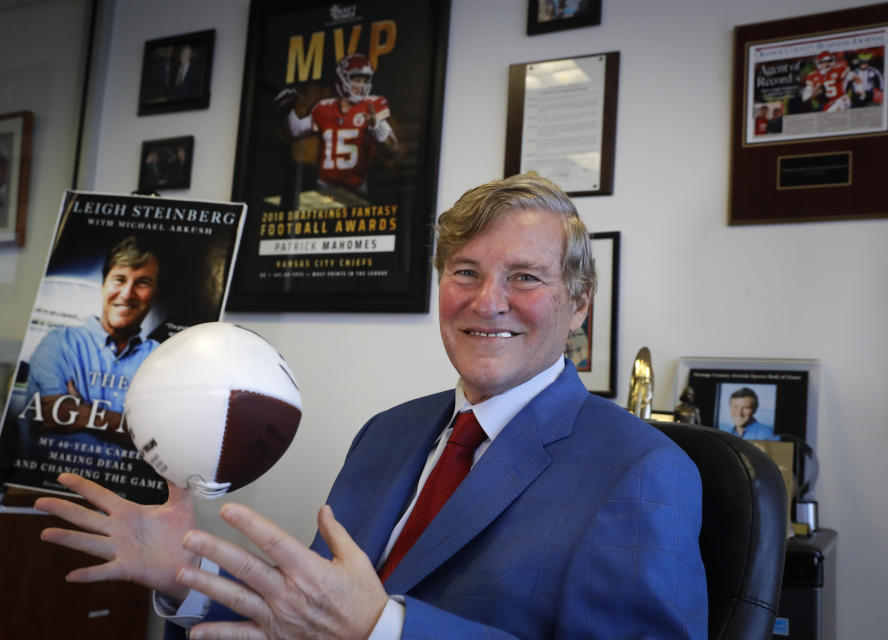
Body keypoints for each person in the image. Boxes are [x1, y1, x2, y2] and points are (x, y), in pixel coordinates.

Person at [35, 175, 707, 639]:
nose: (487, 301)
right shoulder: (390, 433)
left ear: (579, 303)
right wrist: (185, 572)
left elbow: (352, 621)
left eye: (525, 277)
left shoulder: (642, 470)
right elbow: (307, 613)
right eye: (465, 272)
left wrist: (382, 630)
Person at [23, 236, 161, 446]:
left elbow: (163, 439)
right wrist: (131, 427)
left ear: (154, 294)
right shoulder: (57, 345)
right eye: (119, 279)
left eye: (142, 282)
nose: (127, 294)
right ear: (103, 285)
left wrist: (86, 415)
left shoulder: (161, 360)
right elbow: (54, 420)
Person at [275, 52, 398, 194]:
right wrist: (287, 111)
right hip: (324, 188)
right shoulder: (324, 108)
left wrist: (376, 127)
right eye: (357, 80)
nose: (362, 85)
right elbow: (295, 131)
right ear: (343, 77)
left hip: (355, 191)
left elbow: (392, 147)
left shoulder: (370, 108)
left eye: (365, 80)